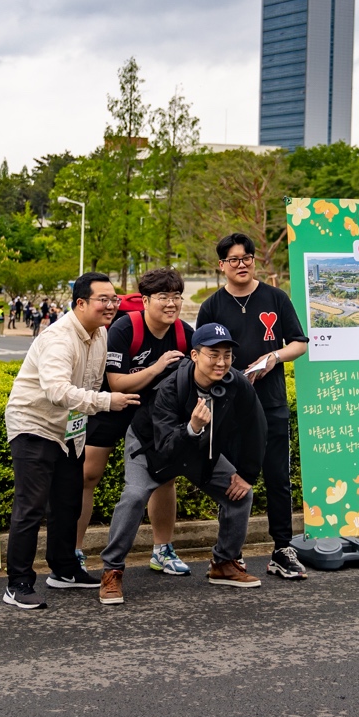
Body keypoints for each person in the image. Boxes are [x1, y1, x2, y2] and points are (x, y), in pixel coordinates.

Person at [98, 322, 267, 604]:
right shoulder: (170, 386)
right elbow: (165, 445)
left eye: (227, 355)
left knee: (240, 494)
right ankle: (112, 570)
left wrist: (247, 474)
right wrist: (192, 427)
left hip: (199, 449)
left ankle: (224, 564)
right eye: (213, 354)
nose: (221, 362)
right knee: (135, 495)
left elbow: (256, 428)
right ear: (195, 355)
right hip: (150, 446)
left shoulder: (236, 382)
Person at [2, 272, 139, 610]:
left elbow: (91, 382)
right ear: (80, 303)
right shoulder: (59, 339)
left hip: (70, 430)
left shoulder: (101, 333)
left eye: (114, 299)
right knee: (30, 507)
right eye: (103, 300)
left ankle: (63, 569)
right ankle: (17, 583)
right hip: (34, 425)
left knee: (68, 502)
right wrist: (108, 402)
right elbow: (57, 390)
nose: (111, 306)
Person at [195, 232, 311, 580]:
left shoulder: (275, 297)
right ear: (222, 266)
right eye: (233, 260)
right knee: (231, 478)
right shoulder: (212, 305)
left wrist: (273, 357)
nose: (241, 264)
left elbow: (300, 343)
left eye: (247, 258)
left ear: (253, 260)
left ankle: (282, 548)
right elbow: (200, 354)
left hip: (271, 401)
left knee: (277, 476)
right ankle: (232, 553)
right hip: (228, 405)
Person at [77, 267, 193, 575]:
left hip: (154, 414)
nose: (172, 304)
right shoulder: (125, 328)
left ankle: (162, 550)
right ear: (145, 300)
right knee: (89, 475)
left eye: (177, 297)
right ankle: (73, 550)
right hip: (111, 406)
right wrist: (156, 367)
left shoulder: (183, 333)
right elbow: (117, 383)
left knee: (165, 478)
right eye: (163, 297)